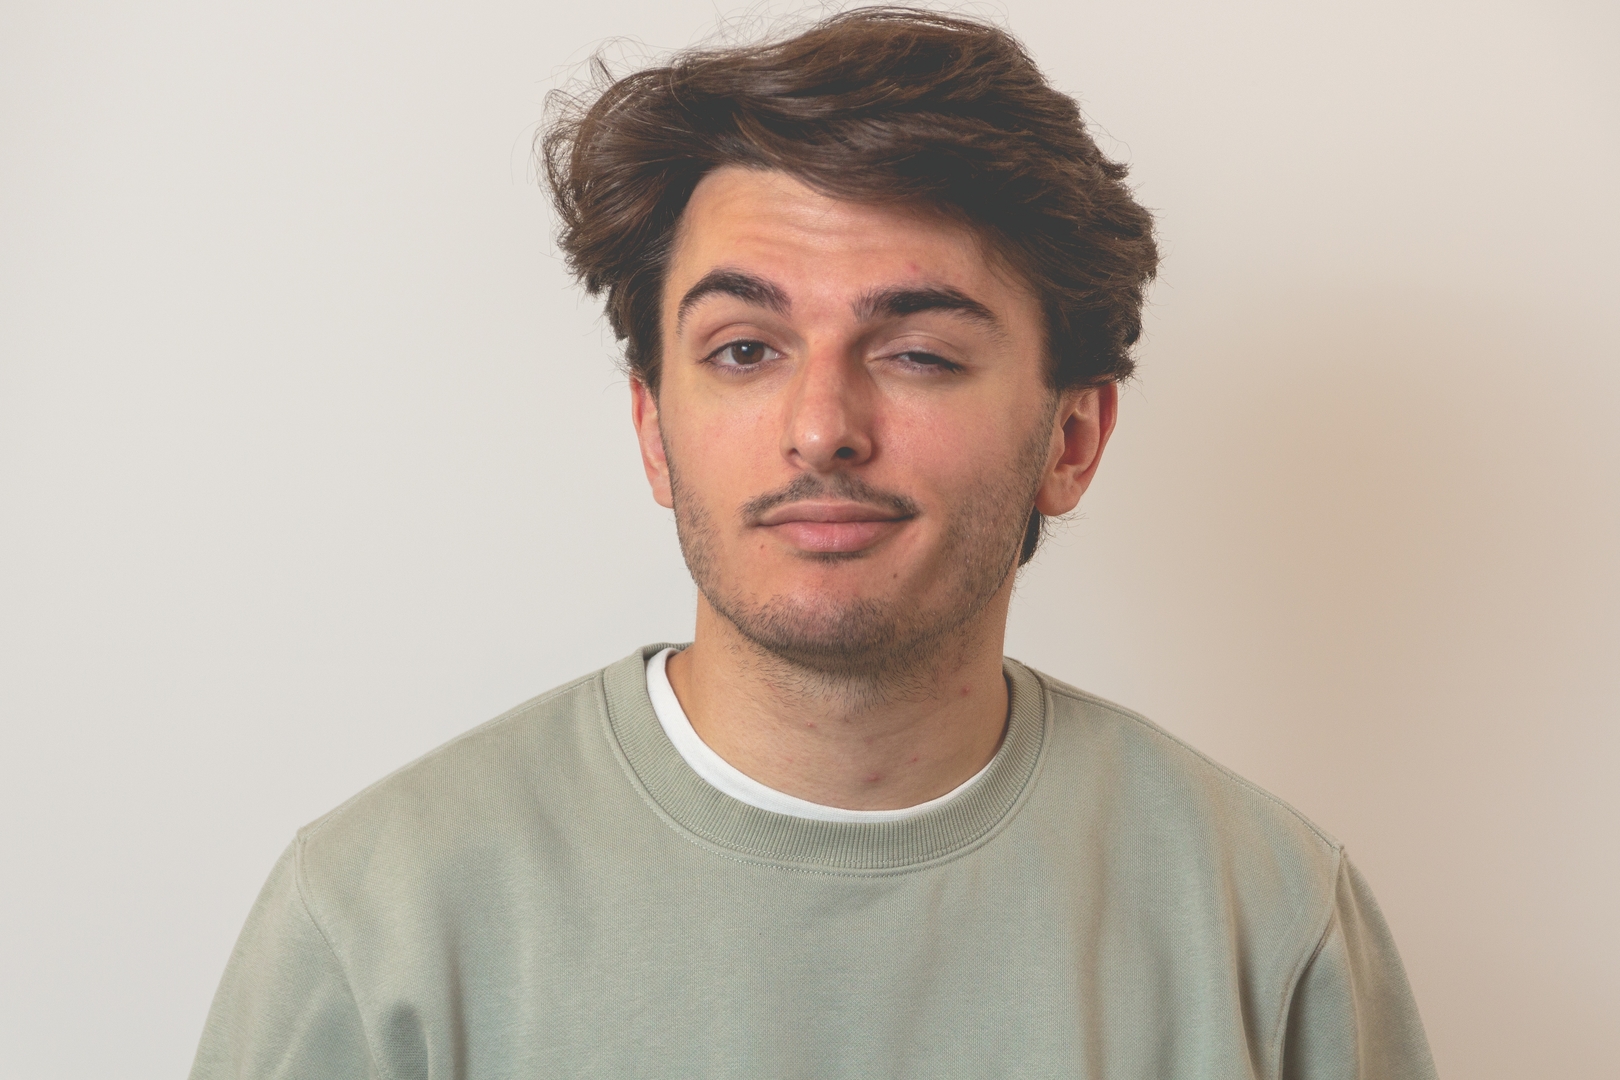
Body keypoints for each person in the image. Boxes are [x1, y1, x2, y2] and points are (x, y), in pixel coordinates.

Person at [190, 8, 1438, 1078]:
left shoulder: (1269, 921)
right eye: (745, 349)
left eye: (920, 354)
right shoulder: (378, 921)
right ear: (654, 429)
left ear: (1071, 437)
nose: (822, 427)